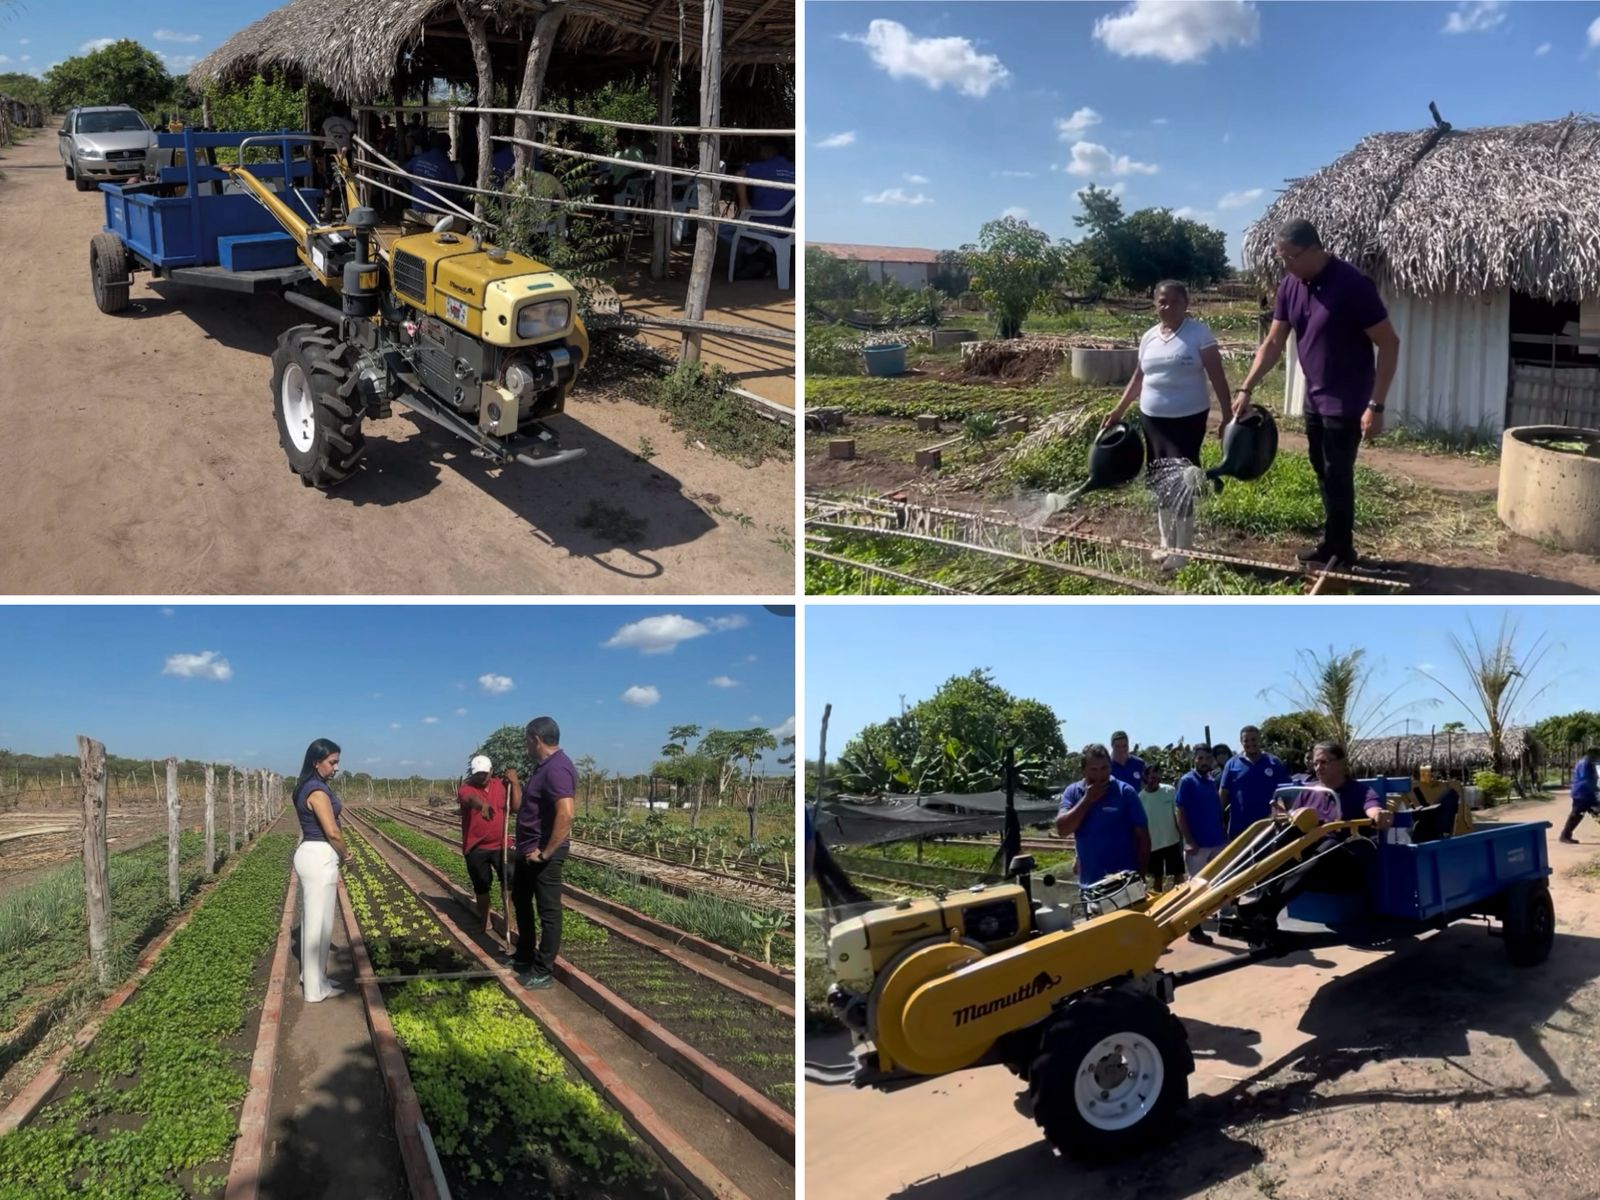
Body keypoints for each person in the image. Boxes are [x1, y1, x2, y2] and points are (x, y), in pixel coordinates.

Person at [1232, 218, 1402, 568]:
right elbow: (1273, 342)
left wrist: (1376, 404)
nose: (1286, 265)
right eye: (1281, 258)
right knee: (1322, 471)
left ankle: (1340, 552)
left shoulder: (1353, 285)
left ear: (1314, 249)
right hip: (1315, 397)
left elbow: (1389, 343)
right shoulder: (1290, 286)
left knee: (1337, 474)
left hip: (1347, 400)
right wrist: (1246, 386)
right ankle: (1334, 544)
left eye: (1291, 257)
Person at [1101, 280, 1235, 570]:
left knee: (1182, 480)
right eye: (1162, 301)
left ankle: (1182, 551)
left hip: (1187, 420)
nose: (1168, 306)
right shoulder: (1149, 337)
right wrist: (1118, 410)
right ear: (1155, 304)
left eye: (1175, 301)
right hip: (1152, 420)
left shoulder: (1198, 334)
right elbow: (1139, 378)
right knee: (1159, 480)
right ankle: (1166, 543)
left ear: (1186, 304)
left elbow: (1217, 375)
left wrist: (1227, 416)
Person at [508, 716, 576, 988]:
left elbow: (566, 814)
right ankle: (524, 955)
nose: (526, 746)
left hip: (543, 854)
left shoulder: (558, 768)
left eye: (527, 740)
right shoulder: (544, 767)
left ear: (536, 739)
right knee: (521, 899)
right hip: (528, 851)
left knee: (548, 911)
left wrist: (546, 853)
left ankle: (543, 970)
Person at [293, 737, 349, 1004]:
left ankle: (314, 977)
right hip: (318, 856)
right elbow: (333, 832)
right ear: (316, 762)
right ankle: (315, 990)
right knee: (319, 926)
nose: (336, 767)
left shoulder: (309, 785)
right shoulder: (316, 790)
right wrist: (347, 855)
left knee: (317, 923)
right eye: (332, 762)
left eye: (337, 762)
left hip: (313, 854)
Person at [1055, 743, 1150, 888]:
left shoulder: (1125, 792)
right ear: (1084, 770)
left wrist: (1140, 877)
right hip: (1090, 886)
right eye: (1094, 769)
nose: (1100, 775)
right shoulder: (1073, 793)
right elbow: (1062, 829)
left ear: (1110, 767)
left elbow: (1143, 837)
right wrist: (1087, 800)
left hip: (1124, 883)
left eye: (1104, 768)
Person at [457, 754, 515, 937]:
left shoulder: (501, 785)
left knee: (509, 880)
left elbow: (515, 806)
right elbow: (469, 799)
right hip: (476, 847)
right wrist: (481, 805)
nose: (481, 776)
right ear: (472, 773)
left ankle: (509, 920)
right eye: (477, 774)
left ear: (491, 771)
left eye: (484, 773)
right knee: (481, 885)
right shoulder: (466, 788)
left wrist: (515, 783)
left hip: (501, 844)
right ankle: (485, 920)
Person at [1175, 744, 1227, 944]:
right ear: (1194, 760)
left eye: (1207, 758)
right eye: (1200, 758)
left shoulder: (1211, 781)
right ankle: (1194, 930)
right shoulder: (1187, 781)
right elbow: (1180, 812)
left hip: (1217, 841)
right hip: (1197, 845)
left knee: (1219, 884)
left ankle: (1223, 921)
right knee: (1196, 889)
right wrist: (1189, 840)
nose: (1204, 762)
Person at [1219, 726, 1287, 843]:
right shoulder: (1231, 764)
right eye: (1246, 740)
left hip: (1268, 827)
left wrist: (1284, 814)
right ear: (1241, 742)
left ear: (1260, 739)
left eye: (1254, 739)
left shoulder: (1274, 762)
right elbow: (1223, 794)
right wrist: (1219, 821)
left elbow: (1286, 793)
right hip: (1239, 829)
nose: (1250, 743)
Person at [1139, 762, 1184, 892]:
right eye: (1150, 775)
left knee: (1179, 876)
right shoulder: (1140, 798)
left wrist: (1183, 835)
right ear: (1145, 777)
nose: (1153, 778)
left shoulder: (1170, 791)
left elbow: (1177, 814)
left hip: (1172, 841)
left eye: (1156, 774)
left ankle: (1181, 899)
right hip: (1153, 845)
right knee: (1157, 879)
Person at [735, 136, 795, 223]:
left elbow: (740, 174)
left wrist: (743, 202)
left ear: (768, 149)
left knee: (720, 227)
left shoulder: (763, 167)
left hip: (761, 223)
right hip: (787, 226)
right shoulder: (794, 170)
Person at [404, 129, 460, 214]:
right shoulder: (447, 165)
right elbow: (455, 190)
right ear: (448, 147)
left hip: (416, 204)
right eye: (450, 144)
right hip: (435, 208)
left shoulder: (420, 157)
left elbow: (402, 173)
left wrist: (411, 189)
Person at [1560, 748, 1600, 844]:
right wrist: (1596, 788)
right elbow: (1586, 780)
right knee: (1576, 815)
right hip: (1582, 794)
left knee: (1597, 813)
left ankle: (1565, 835)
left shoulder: (1588, 762)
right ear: (1592, 754)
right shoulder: (1585, 763)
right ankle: (1565, 836)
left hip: (1588, 794)